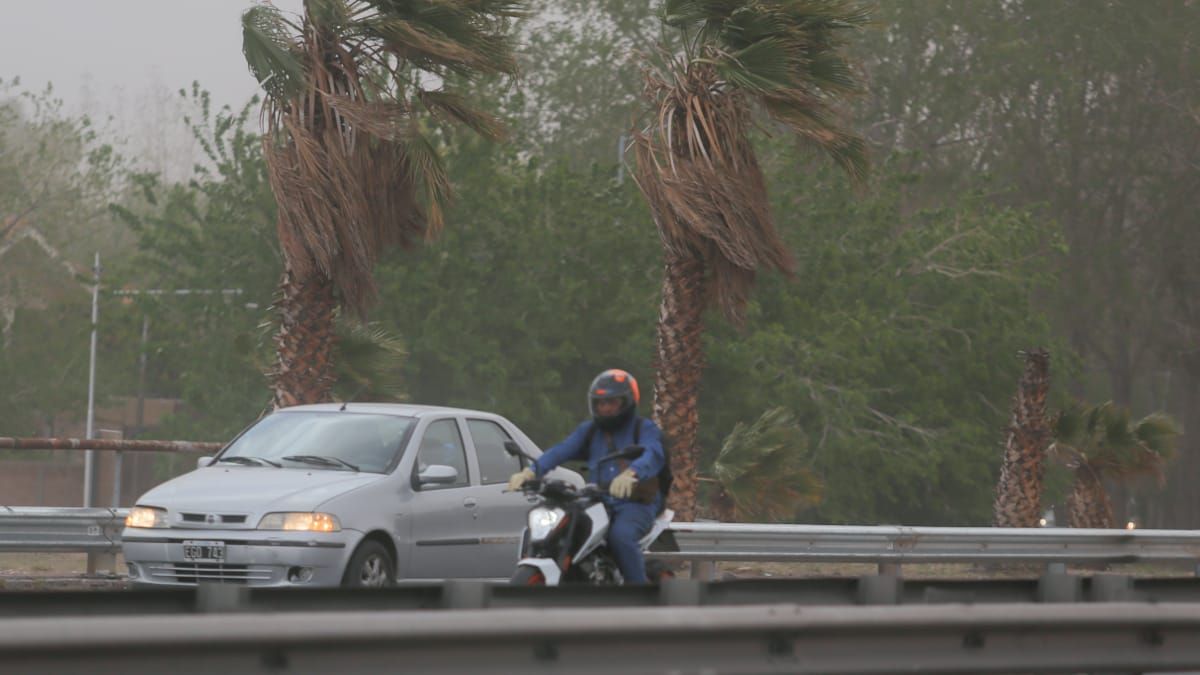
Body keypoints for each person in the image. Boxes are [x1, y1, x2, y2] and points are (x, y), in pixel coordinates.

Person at [508, 368, 666, 584]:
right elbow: (561, 450)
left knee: (621, 537)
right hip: (599, 498)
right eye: (601, 403)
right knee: (560, 528)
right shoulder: (590, 430)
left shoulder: (644, 429)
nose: (606, 408)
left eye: (612, 402)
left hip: (634, 503)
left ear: (627, 402)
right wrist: (531, 471)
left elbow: (653, 454)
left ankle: (639, 594)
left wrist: (632, 473)